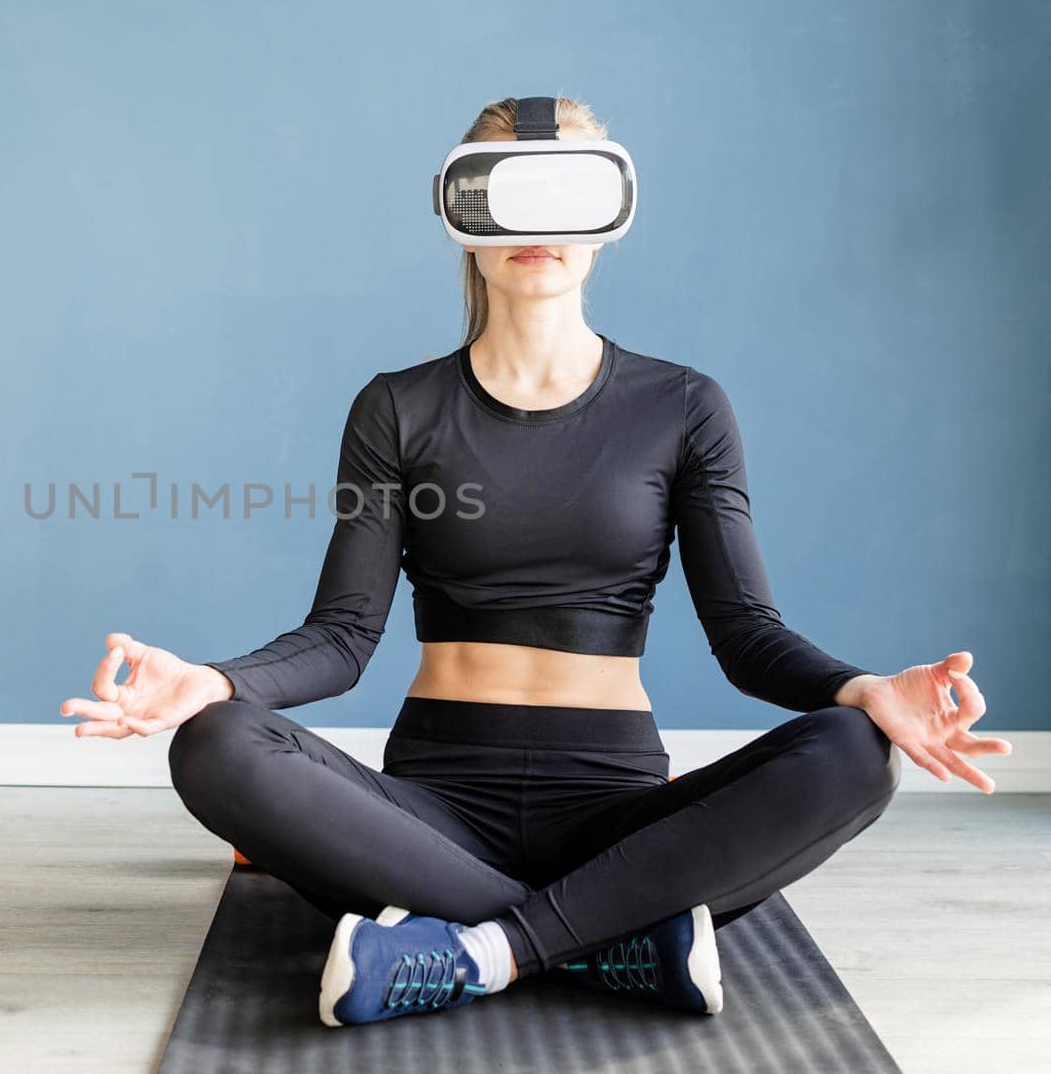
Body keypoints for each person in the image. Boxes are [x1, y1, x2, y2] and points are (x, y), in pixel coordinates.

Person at [59, 95, 1013, 1027]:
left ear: (608, 219)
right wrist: (216, 683)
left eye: (568, 198)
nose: (540, 227)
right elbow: (342, 638)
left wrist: (864, 688)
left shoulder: (683, 407)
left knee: (859, 750)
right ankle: (610, 938)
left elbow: (747, 638)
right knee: (215, 742)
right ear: (464, 217)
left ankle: (480, 950)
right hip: (429, 810)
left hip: (615, 808)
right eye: (509, 197)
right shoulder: (396, 408)